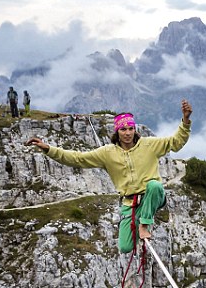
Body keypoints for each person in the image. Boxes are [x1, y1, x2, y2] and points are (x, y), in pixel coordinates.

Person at [25, 100, 192, 253]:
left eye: (130, 129)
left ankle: (145, 224)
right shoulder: (107, 153)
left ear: (135, 130)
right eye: (123, 129)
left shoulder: (149, 145)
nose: (127, 133)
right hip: (130, 202)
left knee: (154, 186)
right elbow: (78, 158)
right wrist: (48, 149)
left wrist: (185, 121)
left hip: (152, 196)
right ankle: (141, 226)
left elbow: (176, 142)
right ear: (117, 131)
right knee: (125, 247)